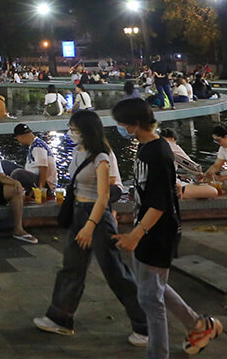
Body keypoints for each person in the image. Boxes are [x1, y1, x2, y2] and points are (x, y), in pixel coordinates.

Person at [112, 98, 223, 357]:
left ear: (134, 124)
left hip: (158, 234)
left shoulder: (158, 152)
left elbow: (160, 203)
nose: (119, 127)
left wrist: (136, 235)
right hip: (147, 229)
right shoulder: (146, 149)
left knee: (150, 299)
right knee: (152, 289)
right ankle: (199, 325)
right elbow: (161, 189)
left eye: (121, 123)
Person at [34, 110, 147, 345]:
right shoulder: (78, 151)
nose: (71, 133)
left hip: (95, 216)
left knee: (116, 273)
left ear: (86, 130)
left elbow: (104, 196)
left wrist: (90, 226)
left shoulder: (102, 157)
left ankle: (145, 326)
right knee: (71, 268)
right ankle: (60, 318)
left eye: (74, 129)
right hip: (78, 212)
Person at [158, 128, 218, 200]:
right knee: (212, 191)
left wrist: (178, 176)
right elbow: (192, 166)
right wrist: (201, 174)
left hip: (151, 185)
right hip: (166, 188)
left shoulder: (153, 146)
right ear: (173, 139)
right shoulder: (171, 145)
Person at [11, 123, 58, 194]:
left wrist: (40, 190)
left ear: (19, 137)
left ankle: (13, 195)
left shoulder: (37, 147)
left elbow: (43, 168)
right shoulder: (35, 143)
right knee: (6, 165)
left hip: (46, 184)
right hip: (33, 176)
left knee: (17, 173)